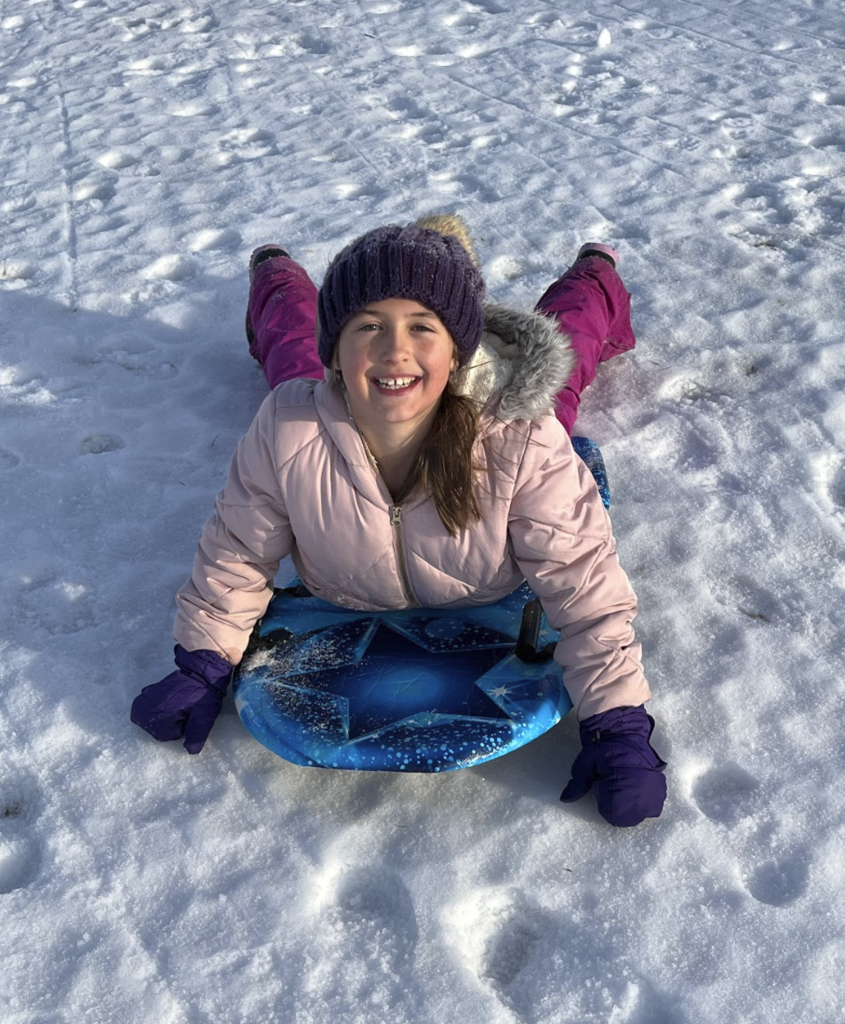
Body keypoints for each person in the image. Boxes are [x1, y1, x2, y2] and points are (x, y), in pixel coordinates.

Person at [131, 215, 667, 827]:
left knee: (565, 352)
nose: (394, 349)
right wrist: (203, 662)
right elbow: (238, 554)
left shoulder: (521, 440)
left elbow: (585, 590)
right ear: (335, 347)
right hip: (341, 539)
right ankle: (276, 275)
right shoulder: (290, 432)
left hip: (490, 547)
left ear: (459, 351)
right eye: (366, 326)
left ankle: (595, 275)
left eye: (422, 327)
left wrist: (616, 722)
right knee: (290, 356)